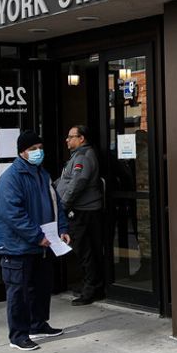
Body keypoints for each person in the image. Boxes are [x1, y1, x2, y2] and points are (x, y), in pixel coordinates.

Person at [0, 130, 70, 351]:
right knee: (18, 292)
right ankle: (18, 335)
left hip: (42, 245)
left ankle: (38, 324)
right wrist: (38, 237)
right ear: (22, 152)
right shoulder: (11, 179)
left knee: (40, 287)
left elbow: (56, 205)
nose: (38, 152)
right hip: (18, 247)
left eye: (40, 147)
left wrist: (62, 228)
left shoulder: (42, 174)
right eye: (32, 149)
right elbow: (13, 215)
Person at [55, 125, 105, 305]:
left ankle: (91, 289)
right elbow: (67, 180)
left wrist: (63, 204)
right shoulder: (78, 156)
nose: (67, 140)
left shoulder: (83, 157)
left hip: (83, 211)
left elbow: (77, 182)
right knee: (85, 249)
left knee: (85, 251)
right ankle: (89, 285)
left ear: (81, 138)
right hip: (83, 210)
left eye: (71, 137)